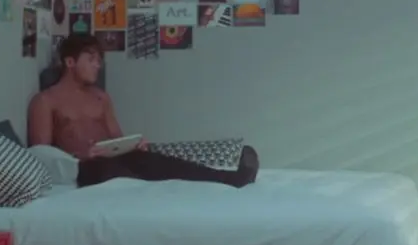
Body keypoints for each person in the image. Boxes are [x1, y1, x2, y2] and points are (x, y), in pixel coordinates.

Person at [27, 33, 258, 188]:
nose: (98, 65)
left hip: (115, 159)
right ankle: (147, 190)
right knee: (115, 172)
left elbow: (116, 138)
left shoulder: (100, 98)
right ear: (70, 62)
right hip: (83, 168)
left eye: (99, 60)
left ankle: (228, 179)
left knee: (157, 161)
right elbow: (41, 155)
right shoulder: (45, 101)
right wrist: (80, 156)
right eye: (91, 59)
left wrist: (132, 145)